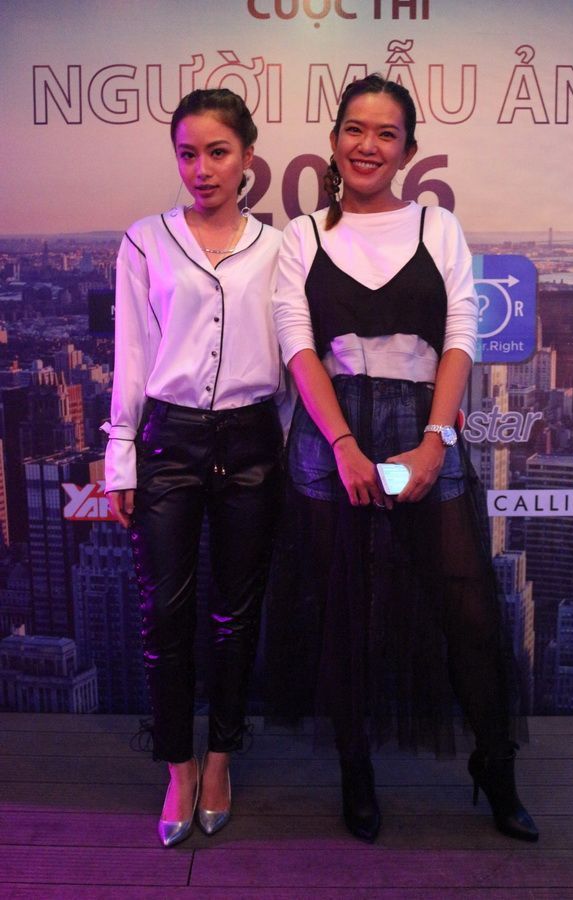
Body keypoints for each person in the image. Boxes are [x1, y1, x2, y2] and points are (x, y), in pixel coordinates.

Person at [270, 74, 538, 844]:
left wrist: (435, 440)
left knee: (469, 612)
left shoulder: (438, 227)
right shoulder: (302, 236)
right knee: (344, 615)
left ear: (408, 151)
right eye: (355, 130)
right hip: (332, 433)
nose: (368, 145)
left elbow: (461, 337)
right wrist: (343, 446)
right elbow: (297, 345)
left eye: (385, 134)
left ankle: (495, 765)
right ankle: (355, 770)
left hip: (425, 424)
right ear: (333, 142)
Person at [105, 88, 284, 847]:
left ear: (247, 158)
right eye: (187, 154)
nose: (201, 169)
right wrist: (121, 454)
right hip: (170, 442)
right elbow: (132, 351)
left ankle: (220, 760)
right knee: (165, 614)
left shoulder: (278, 248)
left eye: (217, 152)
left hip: (252, 443)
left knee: (237, 614)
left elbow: (295, 354)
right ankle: (178, 766)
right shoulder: (145, 240)